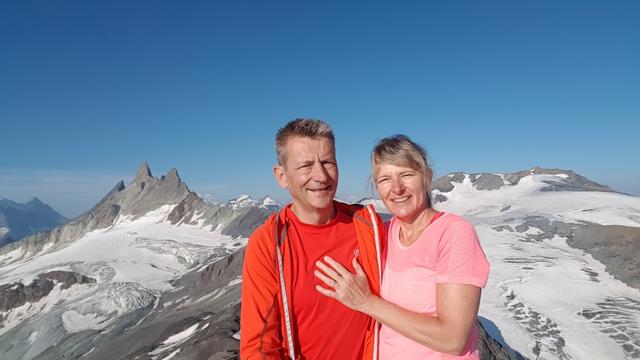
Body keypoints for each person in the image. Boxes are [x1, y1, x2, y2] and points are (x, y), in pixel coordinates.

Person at [315, 134, 490, 359]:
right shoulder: (382, 234)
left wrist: (366, 302)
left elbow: (452, 339)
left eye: (406, 175)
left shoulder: (453, 232)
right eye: (385, 179)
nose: (396, 188)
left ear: (426, 177)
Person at [240, 119, 385, 360]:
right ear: (281, 176)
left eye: (328, 162)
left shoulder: (368, 225)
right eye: (306, 166)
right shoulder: (268, 243)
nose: (321, 175)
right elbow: (259, 347)